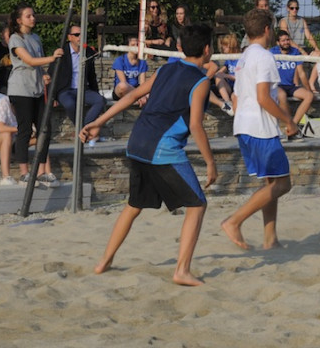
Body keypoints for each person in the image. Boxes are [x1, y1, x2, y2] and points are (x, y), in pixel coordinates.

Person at [81, 24, 217, 286]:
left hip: (137, 143)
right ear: (208, 49)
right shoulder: (200, 81)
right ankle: (182, 270)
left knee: (133, 206)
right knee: (198, 205)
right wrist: (210, 162)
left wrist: (99, 121)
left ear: (179, 47)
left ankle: (104, 261)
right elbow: (196, 126)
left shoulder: (166, 68)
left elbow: (132, 96)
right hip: (162, 150)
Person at [221, 8, 297, 250]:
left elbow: (236, 96)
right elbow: (264, 98)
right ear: (267, 29)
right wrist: (289, 120)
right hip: (259, 128)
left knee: (271, 183)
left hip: (244, 125)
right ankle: (234, 221)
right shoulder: (264, 57)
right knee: (283, 184)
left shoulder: (243, 57)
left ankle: (270, 239)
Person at [7, 3, 63, 188]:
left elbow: (37, 64)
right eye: (28, 16)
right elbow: (29, 61)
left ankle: (41, 171)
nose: (33, 18)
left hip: (37, 88)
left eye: (33, 15)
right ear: (19, 20)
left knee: (44, 129)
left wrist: (44, 73)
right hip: (21, 89)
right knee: (25, 130)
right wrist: (52, 58)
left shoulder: (36, 38)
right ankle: (24, 172)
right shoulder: (15, 39)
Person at [51, 25, 106, 137]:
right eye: (77, 35)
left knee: (100, 101)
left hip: (84, 89)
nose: (80, 37)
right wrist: (52, 97)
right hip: (65, 90)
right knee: (70, 104)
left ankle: (83, 128)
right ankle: (82, 129)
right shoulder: (62, 52)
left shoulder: (88, 52)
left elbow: (92, 75)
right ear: (69, 37)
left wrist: (95, 91)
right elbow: (51, 74)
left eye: (82, 34)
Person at [270, 30, 314, 139]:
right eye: (283, 40)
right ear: (278, 42)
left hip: (290, 86)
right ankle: (289, 126)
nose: (286, 42)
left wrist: (309, 89)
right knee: (282, 96)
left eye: (288, 40)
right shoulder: (272, 52)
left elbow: (302, 73)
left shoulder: (295, 52)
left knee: (309, 96)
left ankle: (292, 125)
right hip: (277, 85)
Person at [112, 36, 149, 107]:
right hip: (121, 90)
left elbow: (142, 83)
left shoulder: (142, 62)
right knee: (123, 86)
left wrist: (143, 94)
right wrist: (139, 95)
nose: (135, 47)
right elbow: (123, 82)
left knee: (152, 91)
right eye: (132, 45)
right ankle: (138, 97)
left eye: (137, 45)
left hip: (135, 88)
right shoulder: (120, 60)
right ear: (127, 46)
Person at [214, 33, 240, 114]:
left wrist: (226, 75)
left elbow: (241, 78)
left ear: (231, 46)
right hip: (230, 86)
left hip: (239, 88)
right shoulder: (229, 58)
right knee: (217, 76)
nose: (223, 48)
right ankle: (227, 103)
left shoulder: (240, 58)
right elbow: (222, 70)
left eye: (225, 46)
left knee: (234, 97)